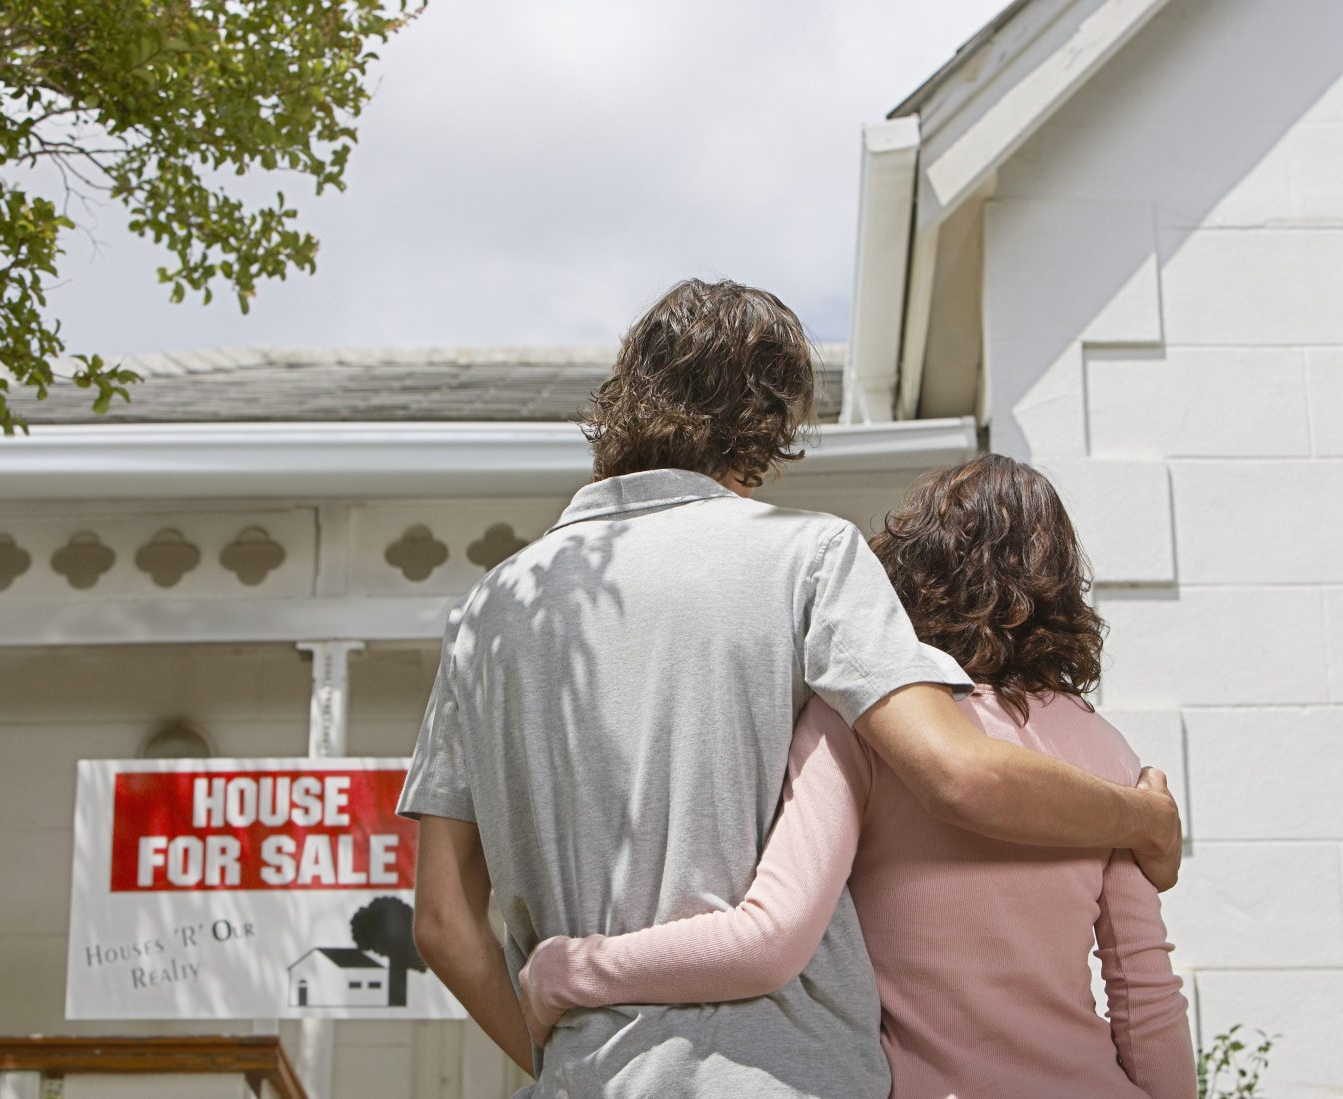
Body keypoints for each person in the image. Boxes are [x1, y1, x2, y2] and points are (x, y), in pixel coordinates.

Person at [397, 279, 1183, 1099]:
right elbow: (963, 773)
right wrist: (1143, 817)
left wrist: (567, 1053)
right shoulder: (809, 557)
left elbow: (445, 923)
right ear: (768, 425)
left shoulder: (490, 611)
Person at [519, 455, 1196, 1098]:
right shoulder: (1110, 755)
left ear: (914, 570)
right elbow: (1144, 992)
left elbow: (767, 940)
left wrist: (573, 968)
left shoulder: (864, 726)